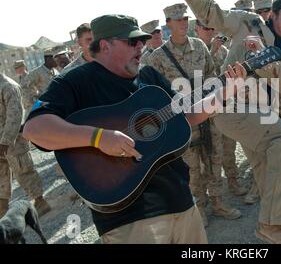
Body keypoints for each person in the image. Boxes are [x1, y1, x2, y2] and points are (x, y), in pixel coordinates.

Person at [23, 14, 247, 244]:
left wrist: (224, 93)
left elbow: (185, 114)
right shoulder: (74, 82)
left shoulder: (149, 75)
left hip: (180, 201)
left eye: (141, 40)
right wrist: (98, 137)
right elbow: (34, 128)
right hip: (128, 220)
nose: (141, 45)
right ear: (104, 45)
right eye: (131, 41)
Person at [174, 0, 281, 244]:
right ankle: (276, 225)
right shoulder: (248, 24)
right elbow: (212, 13)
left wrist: (269, 63)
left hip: (264, 113)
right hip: (231, 107)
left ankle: (272, 230)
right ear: (273, 14)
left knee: (264, 165)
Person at [145, 4, 242, 228]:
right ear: (168, 24)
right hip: (181, 121)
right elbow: (152, 92)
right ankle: (199, 207)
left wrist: (215, 94)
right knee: (191, 167)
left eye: (185, 18)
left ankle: (218, 202)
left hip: (207, 113)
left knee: (214, 157)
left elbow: (211, 74)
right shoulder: (157, 58)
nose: (182, 23)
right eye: (176, 19)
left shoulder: (199, 46)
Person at [194, 19, 248, 197]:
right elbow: (197, 81)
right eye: (206, 28)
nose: (210, 31)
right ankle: (207, 196)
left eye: (212, 28)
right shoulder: (195, 51)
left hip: (224, 106)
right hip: (202, 112)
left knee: (228, 147)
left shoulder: (224, 51)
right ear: (197, 30)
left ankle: (233, 181)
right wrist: (211, 51)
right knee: (206, 156)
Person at [0, 73, 50, 218]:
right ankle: (2, 210)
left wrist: (5, 142)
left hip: (12, 141)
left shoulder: (8, 86)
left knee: (24, 171)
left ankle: (40, 202)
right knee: (1, 175)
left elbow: (15, 115)